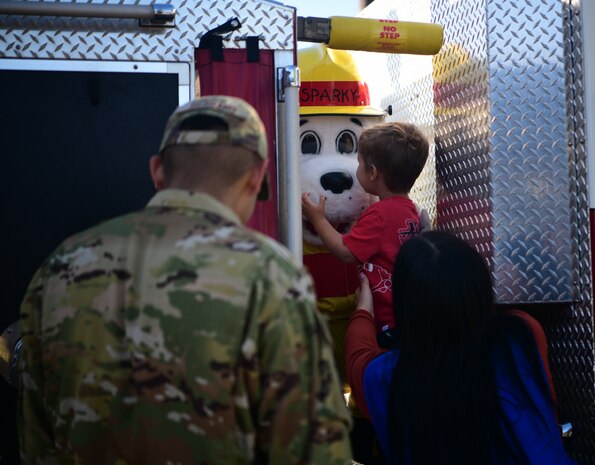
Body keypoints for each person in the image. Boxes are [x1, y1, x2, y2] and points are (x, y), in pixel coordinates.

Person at [17, 95, 352, 465]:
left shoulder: (63, 265)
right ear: (257, 177)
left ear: (158, 170)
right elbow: (315, 449)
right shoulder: (272, 277)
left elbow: (36, 436)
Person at [345, 231, 576, 465]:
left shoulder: (386, 376)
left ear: (406, 306)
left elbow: (358, 354)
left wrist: (364, 309)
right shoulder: (520, 337)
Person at [301, 121, 429, 349]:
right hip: (404, 315)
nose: (355, 168)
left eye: (358, 162)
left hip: (385, 322)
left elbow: (346, 252)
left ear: (372, 173)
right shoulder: (409, 210)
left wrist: (317, 218)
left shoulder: (379, 215)